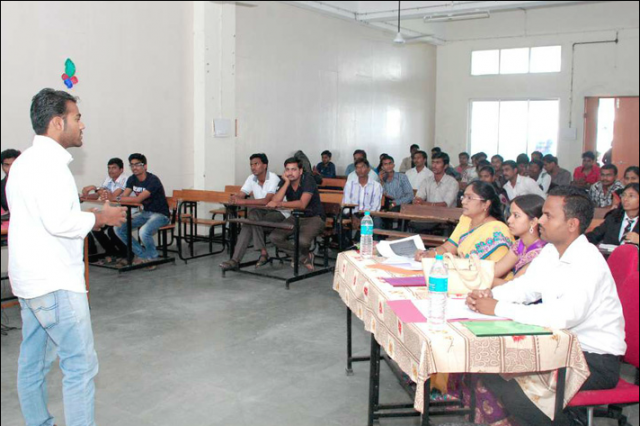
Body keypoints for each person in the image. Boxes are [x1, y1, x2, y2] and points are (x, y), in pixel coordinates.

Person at [7, 88, 127, 426]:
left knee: (33, 365)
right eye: (77, 118)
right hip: (56, 282)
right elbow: (59, 222)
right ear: (58, 122)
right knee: (79, 367)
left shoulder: (23, 162)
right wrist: (100, 217)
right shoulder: (51, 165)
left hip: (30, 283)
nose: (82, 125)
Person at [467, 186, 626, 426]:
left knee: (516, 392)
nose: (540, 220)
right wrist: (488, 295)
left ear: (571, 224)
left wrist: (497, 307)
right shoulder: (552, 251)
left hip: (592, 360)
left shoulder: (588, 261)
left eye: (548, 215)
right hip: (559, 347)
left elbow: (562, 317)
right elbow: (526, 288)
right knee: (490, 368)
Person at [220, 153, 288, 272]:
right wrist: (235, 198)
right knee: (251, 219)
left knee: (250, 222)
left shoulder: (273, 178)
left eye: (256, 164)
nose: (253, 167)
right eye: (251, 164)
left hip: (279, 212)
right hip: (262, 212)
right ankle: (240, 259)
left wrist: (242, 202)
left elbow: (266, 201)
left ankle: (246, 257)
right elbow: (242, 194)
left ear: (265, 165)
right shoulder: (251, 178)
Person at [415, 181, 514, 261]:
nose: (463, 202)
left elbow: (497, 269)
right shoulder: (466, 219)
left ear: (486, 204)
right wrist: (428, 254)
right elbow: (447, 248)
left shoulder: (497, 230)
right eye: (464, 197)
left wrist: (459, 263)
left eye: (469, 198)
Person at [267, 158, 326, 271]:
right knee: (275, 237)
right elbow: (275, 200)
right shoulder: (285, 181)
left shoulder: (308, 179)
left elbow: (302, 204)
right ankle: (303, 257)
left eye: (294, 169)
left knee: (302, 240)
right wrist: (286, 183)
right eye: (287, 169)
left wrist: (280, 204)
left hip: (314, 217)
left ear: (300, 171)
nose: (290, 173)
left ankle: (299, 256)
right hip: (296, 217)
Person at [113, 153, 171, 266]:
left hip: (161, 215)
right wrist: (119, 198)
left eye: (138, 165)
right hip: (145, 213)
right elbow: (124, 197)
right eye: (132, 165)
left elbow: (138, 199)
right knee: (119, 228)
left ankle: (152, 257)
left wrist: (117, 198)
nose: (134, 167)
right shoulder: (132, 179)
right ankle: (143, 255)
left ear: (145, 166)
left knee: (144, 232)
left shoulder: (153, 180)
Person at [493, 195, 547, 286]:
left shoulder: (542, 252)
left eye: (516, 216)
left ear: (533, 222)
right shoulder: (520, 243)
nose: (509, 220)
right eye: (510, 214)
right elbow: (496, 270)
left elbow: (515, 287)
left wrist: (483, 279)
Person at [83, 158, 129, 262]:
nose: (111, 170)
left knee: (112, 230)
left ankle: (126, 254)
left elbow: (113, 196)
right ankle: (112, 252)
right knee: (95, 227)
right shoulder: (108, 179)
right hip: (110, 211)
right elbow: (101, 195)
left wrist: (95, 188)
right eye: (109, 168)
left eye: (114, 168)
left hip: (125, 212)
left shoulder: (125, 179)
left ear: (121, 169)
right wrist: (85, 196)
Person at [1, 148, 21, 213]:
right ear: (2, 166)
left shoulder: (30, 183)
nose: (10, 168)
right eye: (6, 165)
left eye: (13, 164)